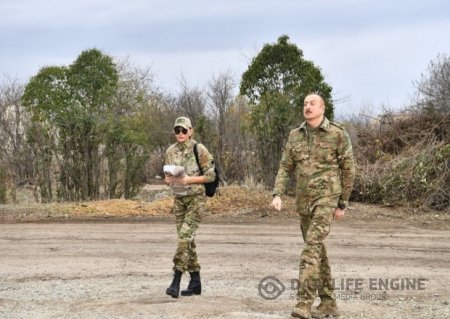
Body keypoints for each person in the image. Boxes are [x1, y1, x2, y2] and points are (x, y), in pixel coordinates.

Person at [270, 93, 355, 318]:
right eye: (305, 103)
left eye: (312, 103)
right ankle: (328, 303)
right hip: (304, 200)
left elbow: (349, 170)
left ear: (322, 108)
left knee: (311, 249)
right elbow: (285, 166)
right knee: (318, 250)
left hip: (327, 198)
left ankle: (304, 303)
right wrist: (277, 193)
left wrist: (342, 203)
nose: (307, 107)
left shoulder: (337, 133)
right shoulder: (295, 135)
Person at [164, 116, 216, 298]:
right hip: (179, 198)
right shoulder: (170, 151)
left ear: (190, 131)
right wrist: (169, 180)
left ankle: (176, 280)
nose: (180, 134)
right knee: (187, 240)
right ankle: (195, 281)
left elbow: (211, 176)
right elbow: (167, 177)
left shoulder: (198, 149)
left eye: (184, 130)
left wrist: (191, 179)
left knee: (184, 237)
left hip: (196, 198)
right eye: (177, 130)